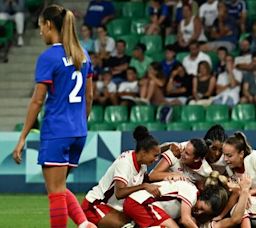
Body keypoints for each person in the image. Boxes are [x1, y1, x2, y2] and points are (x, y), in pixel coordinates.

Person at [12, 5, 95, 228]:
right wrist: (81, 123)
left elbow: (37, 101)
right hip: (78, 131)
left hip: (57, 130)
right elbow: (89, 96)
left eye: (41, 27)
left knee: (55, 192)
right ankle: (84, 224)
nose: (40, 32)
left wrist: (22, 137)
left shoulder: (49, 57)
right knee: (58, 187)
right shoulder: (83, 54)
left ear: (49, 25)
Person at [82, 126, 161, 227]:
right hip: (95, 205)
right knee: (129, 226)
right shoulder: (125, 163)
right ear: (143, 152)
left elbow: (156, 152)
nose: (156, 159)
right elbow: (119, 193)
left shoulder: (142, 165)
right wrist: (144, 186)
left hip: (113, 209)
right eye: (155, 156)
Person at [123, 171, 229, 228]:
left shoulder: (190, 203)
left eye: (203, 212)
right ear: (202, 196)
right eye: (201, 207)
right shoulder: (191, 191)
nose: (199, 211)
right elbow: (185, 220)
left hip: (138, 204)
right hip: (140, 204)